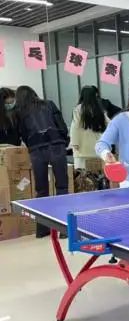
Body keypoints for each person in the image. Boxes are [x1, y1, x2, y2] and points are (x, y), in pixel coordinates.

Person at [14, 85, 69, 237]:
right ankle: (64, 229)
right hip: (56, 145)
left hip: (36, 149)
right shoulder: (49, 104)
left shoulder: (20, 112)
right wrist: (63, 139)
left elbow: (22, 133)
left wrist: (31, 145)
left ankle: (42, 230)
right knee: (62, 187)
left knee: (41, 190)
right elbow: (61, 124)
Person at [69, 85, 108, 170]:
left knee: (83, 173)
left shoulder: (78, 109)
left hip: (82, 148)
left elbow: (74, 127)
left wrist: (74, 143)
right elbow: (109, 124)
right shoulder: (99, 109)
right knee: (98, 172)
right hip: (97, 147)